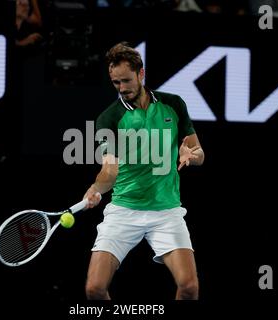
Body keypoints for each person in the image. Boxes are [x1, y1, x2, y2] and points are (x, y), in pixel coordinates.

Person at [83, 42, 205, 300]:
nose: (122, 88)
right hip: (124, 210)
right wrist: (96, 189)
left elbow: (199, 154)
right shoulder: (109, 118)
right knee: (94, 289)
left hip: (166, 211)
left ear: (141, 74)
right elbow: (110, 169)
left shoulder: (173, 104)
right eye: (115, 83)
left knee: (189, 287)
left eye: (126, 80)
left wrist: (190, 155)